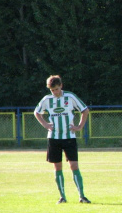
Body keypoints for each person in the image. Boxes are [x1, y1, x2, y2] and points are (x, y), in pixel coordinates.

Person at [34, 75, 91, 204]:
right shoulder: (47, 99)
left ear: (61, 86)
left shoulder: (70, 97)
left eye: (57, 89)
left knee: (74, 165)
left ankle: (82, 196)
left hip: (69, 137)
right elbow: (37, 112)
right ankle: (62, 197)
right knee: (57, 167)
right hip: (54, 138)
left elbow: (85, 110)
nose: (55, 92)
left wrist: (80, 126)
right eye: (53, 90)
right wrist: (45, 125)